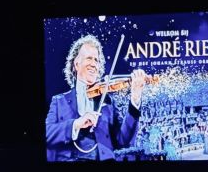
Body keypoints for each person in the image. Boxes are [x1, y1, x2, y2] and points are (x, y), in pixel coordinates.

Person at [44, 33, 147, 162]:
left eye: (96, 60)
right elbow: (47, 134)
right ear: (76, 64)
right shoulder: (59, 101)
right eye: (89, 58)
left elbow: (124, 141)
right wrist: (76, 124)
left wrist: (135, 99)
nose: (94, 64)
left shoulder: (108, 102)